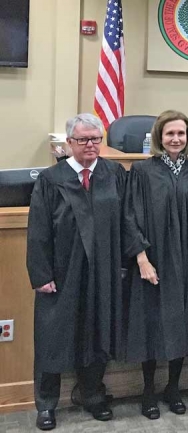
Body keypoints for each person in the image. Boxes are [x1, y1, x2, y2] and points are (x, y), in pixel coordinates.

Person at [27, 113, 125, 430]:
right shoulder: (51, 179)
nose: (90, 145)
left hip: (103, 269)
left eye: (96, 139)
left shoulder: (114, 174)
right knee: (52, 338)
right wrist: (41, 275)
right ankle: (46, 405)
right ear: (69, 143)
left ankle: (93, 395)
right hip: (62, 270)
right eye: (83, 139)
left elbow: (126, 222)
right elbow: (38, 231)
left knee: (97, 331)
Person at [122, 110, 188, 419]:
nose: (175, 139)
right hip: (153, 261)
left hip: (187, 261)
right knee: (151, 326)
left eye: (181, 133)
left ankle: (173, 388)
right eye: (170, 133)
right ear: (159, 137)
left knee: (181, 324)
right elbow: (129, 216)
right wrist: (141, 258)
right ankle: (148, 391)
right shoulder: (142, 172)